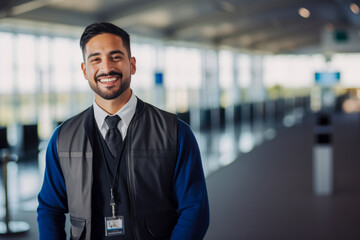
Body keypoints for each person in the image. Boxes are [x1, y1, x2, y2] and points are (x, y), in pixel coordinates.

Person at [37, 22, 209, 240]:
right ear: (84, 70)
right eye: (96, 59)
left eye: (116, 56)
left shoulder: (176, 133)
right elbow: (49, 209)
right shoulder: (62, 138)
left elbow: (195, 209)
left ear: (132, 64)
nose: (106, 68)